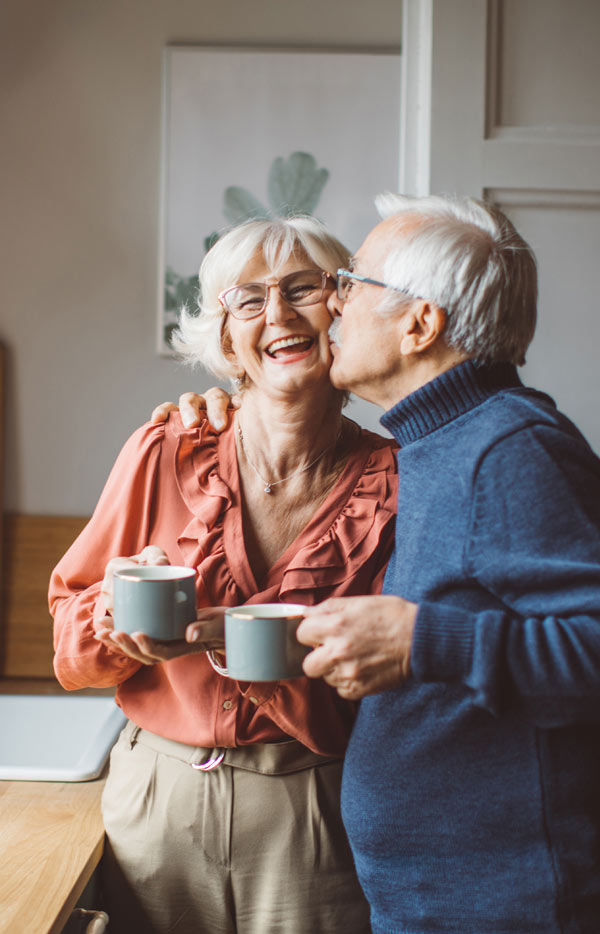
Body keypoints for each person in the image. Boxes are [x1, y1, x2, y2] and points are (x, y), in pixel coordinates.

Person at [49, 216, 399, 934]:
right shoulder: (165, 448)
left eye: (303, 288)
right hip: (158, 801)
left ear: (342, 309)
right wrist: (111, 618)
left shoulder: (398, 482)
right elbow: (70, 651)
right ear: (227, 340)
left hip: (314, 808)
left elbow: (404, 681)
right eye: (248, 299)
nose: (277, 314)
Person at [290, 193, 600, 934]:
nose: (332, 306)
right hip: (444, 898)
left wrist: (424, 642)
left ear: (420, 323)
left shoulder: (510, 447)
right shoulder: (439, 443)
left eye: (352, 284)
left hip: (504, 907)